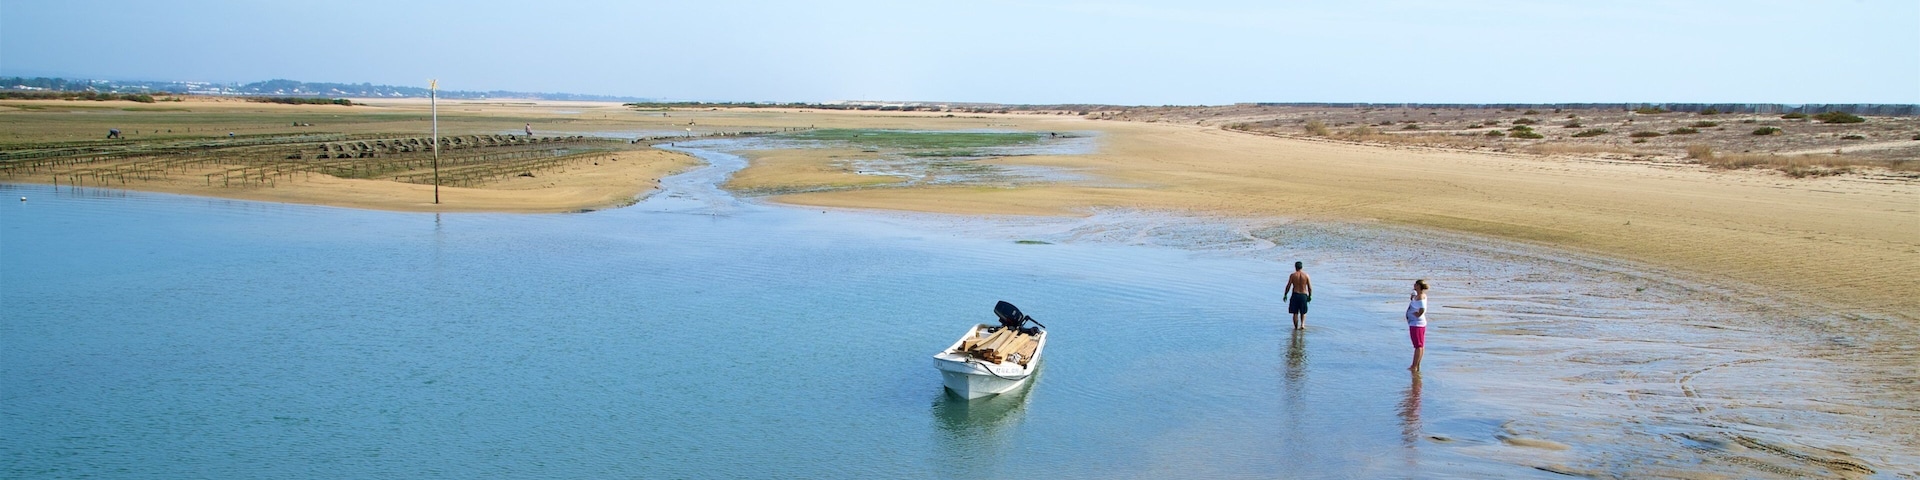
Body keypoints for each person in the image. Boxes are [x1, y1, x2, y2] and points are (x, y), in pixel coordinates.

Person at [1407, 279, 1430, 371]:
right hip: (1415, 323)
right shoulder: (1417, 295)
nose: (1414, 285)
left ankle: (1414, 365)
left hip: (1417, 324)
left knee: (1418, 346)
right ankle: (1417, 365)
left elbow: (1422, 309)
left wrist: (1417, 314)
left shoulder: (1421, 297)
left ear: (1419, 286)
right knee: (1419, 345)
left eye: (1416, 284)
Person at [1283, 261, 1312, 330]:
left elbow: (1288, 286)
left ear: (1295, 267)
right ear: (1302, 267)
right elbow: (1309, 287)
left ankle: (1296, 327)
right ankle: (1302, 325)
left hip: (1295, 294)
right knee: (1303, 312)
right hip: (1303, 295)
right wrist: (1310, 296)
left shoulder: (1293, 275)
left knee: (1295, 312)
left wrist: (1285, 294)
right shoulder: (1306, 275)